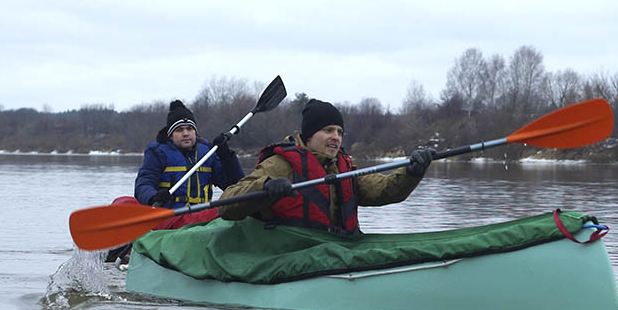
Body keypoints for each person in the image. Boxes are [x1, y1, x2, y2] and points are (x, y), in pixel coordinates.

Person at [216, 98, 432, 234]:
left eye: (339, 132)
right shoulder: (280, 165)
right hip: (289, 252)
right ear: (309, 136)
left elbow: (384, 190)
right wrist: (265, 188)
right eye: (328, 130)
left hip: (332, 250)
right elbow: (226, 204)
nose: (336, 137)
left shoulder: (344, 167)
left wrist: (412, 172)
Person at [134, 100, 243, 208]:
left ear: (195, 132)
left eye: (189, 129)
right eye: (179, 130)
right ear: (171, 135)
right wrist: (153, 197)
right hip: (170, 216)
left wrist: (227, 157)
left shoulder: (208, 153)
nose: (185, 133)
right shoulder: (157, 153)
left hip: (202, 215)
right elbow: (143, 184)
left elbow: (235, 187)